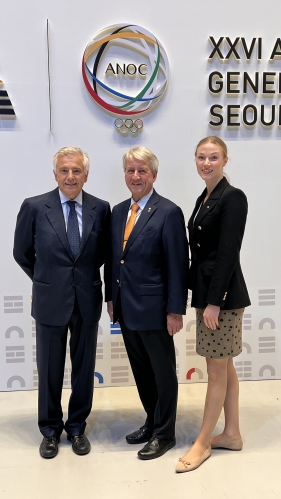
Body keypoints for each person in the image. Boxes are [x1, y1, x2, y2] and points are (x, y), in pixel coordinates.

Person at [13, 147, 111, 459]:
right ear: (55, 174)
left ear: (86, 175)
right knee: (50, 369)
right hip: (49, 301)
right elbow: (21, 253)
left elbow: (104, 254)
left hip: (87, 299)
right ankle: (50, 430)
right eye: (65, 170)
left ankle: (78, 427)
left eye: (76, 171)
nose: (70, 176)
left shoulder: (101, 208)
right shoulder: (34, 207)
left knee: (84, 368)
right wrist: (46, 278)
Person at [106, 146, 188, 460]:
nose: (136, 176)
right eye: (131, 170)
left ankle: (165, 434)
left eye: (142, 171)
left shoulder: (168, 212)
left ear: (154, 175)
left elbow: (178, 265)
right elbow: (114, 260)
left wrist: (175, 310)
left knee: (162, 374)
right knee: (141, 372)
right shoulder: (117, 212)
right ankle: (152, 422)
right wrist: (111, 298)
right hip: (126, 308)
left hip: (155, 310)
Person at [176, 136, 251, 473]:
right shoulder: (205, 197)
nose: (206, 163)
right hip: (207, 294)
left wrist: (214, 303)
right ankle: (231, 434)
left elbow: (227, 253)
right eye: (201, 157)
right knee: (224, 365)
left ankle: (202, 442)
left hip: (221, 299)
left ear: (225, 160)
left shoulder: (233, 197)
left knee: (216, 369)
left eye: (213, 157)